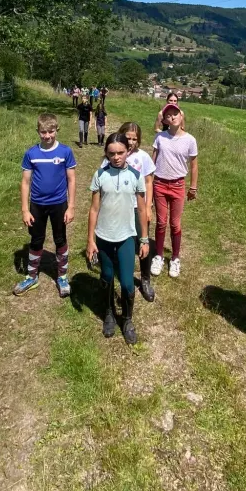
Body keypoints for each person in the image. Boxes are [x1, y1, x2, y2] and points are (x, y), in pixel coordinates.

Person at [87, 133, 149, 344]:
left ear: (128, 151)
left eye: (120, 152)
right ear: (106, 153)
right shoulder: (100, 175)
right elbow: (94, 209)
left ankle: (128, 319)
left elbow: (142, 210)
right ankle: (109, 313)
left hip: (126, 236)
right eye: (111, 153)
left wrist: (144, 239)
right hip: (104, 236)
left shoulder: (135, 176)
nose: (116, 157)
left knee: (127, 282)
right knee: (106, 277)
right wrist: (90, 240)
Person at [16, 113, 76, 298]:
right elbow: (25, 182)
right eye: (43, 132)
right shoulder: (31, 153)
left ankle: (62, 276)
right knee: (36, 240)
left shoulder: (65, 152)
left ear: (56, 130)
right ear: (38, 131)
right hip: (37, 205)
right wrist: (25, 210)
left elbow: (71, 179)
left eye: (51, 131)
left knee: (60, 239)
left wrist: (71, 206)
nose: (47, 136)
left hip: (59, 204)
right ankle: (32, 276)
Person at [151, 104, 198, 279]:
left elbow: (194, 166)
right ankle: (159, 256)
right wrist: (148, 184)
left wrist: (193, 187)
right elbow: (152, 162)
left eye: (175, 113)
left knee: (175, 224)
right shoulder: (160, 138)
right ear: (164, 120)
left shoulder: (190, 140)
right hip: (160, 184)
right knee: (161, 222)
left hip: (178, 185)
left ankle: (175, 258)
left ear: (181, 116)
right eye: (168, 115)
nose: (172, 117)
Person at [117, 122, 156, 302]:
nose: (131, 142)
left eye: (135, 139)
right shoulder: (115, 155)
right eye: (128, 138)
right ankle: (125, 276)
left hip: (138, 208)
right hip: (120, 208)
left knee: (143, 241)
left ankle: (145, 279)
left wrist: (148, 207)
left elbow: (149, 182)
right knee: (123, 244)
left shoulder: (144, 157)